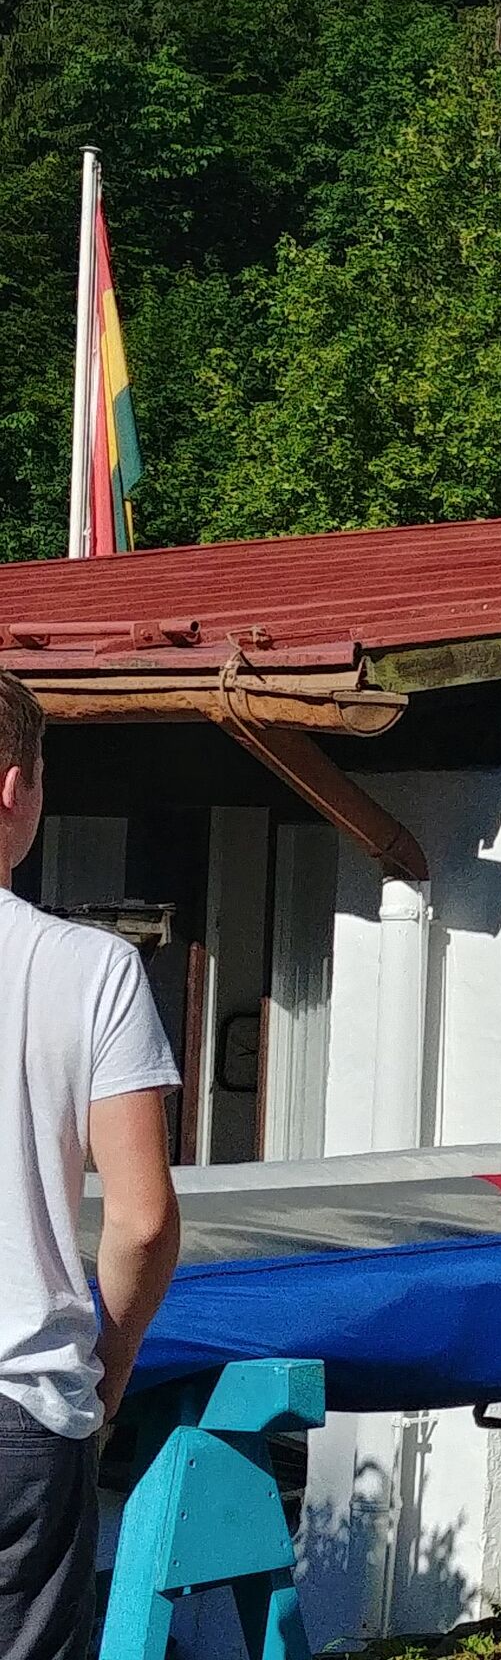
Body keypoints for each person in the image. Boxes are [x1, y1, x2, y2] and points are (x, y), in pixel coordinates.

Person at [0, 669, 182, 1660]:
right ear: (14, 787)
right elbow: (142, 1220)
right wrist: (106, 1380)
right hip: (19, 1405)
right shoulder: (91, 969)